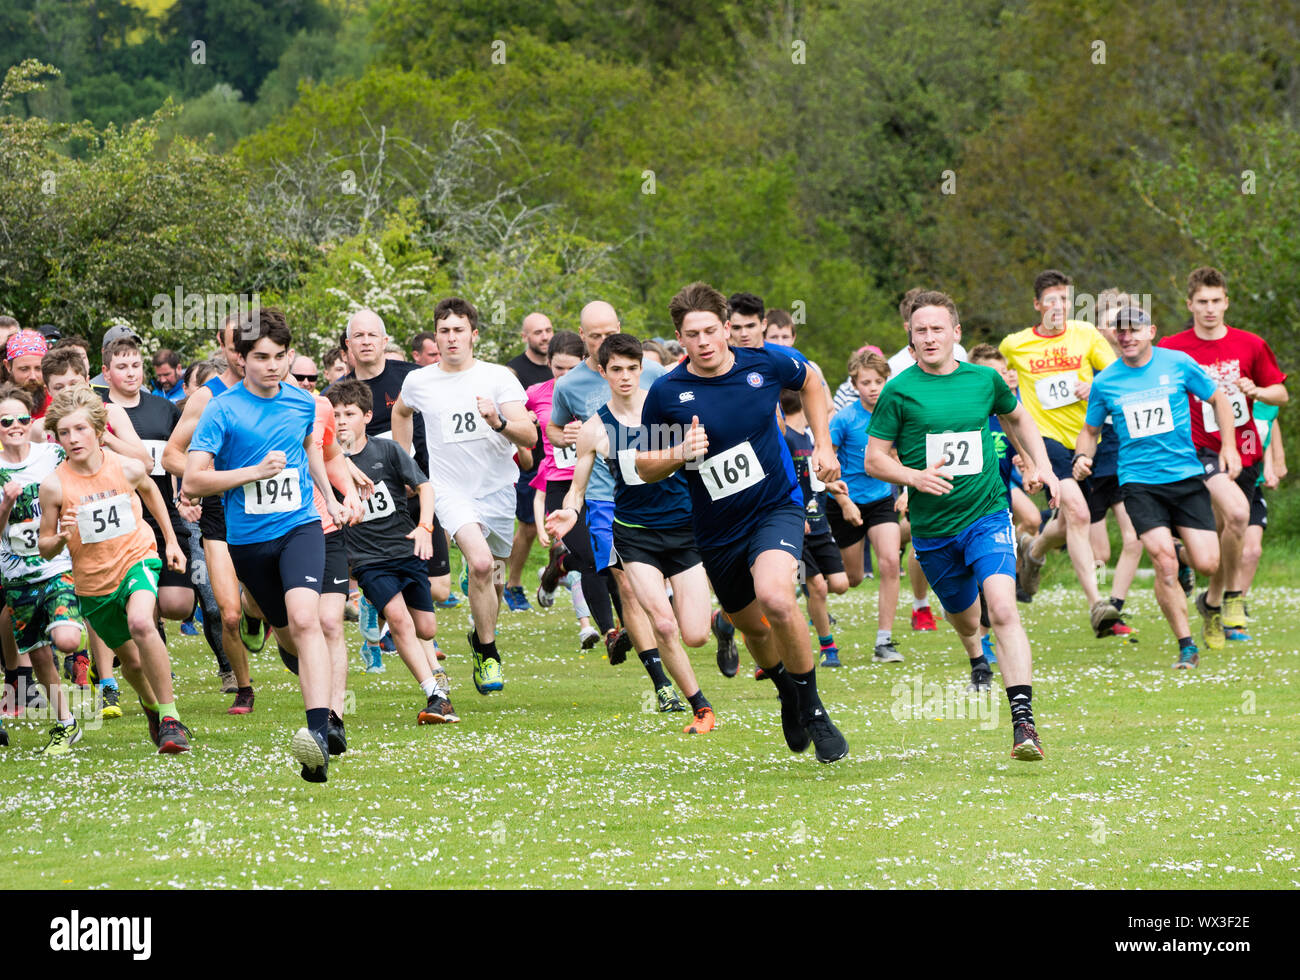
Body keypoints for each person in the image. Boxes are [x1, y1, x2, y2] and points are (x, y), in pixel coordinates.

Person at [638, 281, 850, 763]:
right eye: (692, 335)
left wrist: (824, 444)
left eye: (711, 330)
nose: (704, 342)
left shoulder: (764, 362)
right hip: (716, 530)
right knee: (751, 626)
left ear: (727, 328)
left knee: (777, 597)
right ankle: (786, 694)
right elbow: (644, 466)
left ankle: (813, 707)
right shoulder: (668, 392)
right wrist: (679, 453)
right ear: (680, 338)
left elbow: (812, 380)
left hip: (776, 506)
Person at [865, 290, 1058, 761]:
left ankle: (1023, 724)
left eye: (937, 329)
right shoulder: (898, 391)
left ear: (956, 333)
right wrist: (914, 477)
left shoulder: (984, 381)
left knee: (1004, 608)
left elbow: (1018, 417)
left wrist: (1042, 465)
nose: (929, 337)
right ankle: (975, 650)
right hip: (933, 532)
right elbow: (874, 460)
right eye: (920, 330)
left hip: (987, 514)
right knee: (967, 618)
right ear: (909, 340)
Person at [184, 308, 348, 782]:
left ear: (290, 355)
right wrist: (252, 473)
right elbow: (194, 477)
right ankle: (276, 640)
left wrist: (332, 499)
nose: (271, 366)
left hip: (300, 525)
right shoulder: (222, 409)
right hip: (249, 540)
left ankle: (320, 731)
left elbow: (311, 450)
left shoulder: (302, 403)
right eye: (260, 357)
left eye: (279, 356)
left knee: (307, 618)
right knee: (288, 631)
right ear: (240, 358)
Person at [547, 333, 716, 728]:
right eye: (617, 370)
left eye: (632, 369)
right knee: (662, 622)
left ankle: (720, 627)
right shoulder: (593, 429)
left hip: (683, 530)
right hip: (634, 533)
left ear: (642, 370)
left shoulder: (665, 410)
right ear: (602, 371)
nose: (625, 377)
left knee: (696, 634)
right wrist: (569, 513)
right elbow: (577, 490)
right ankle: (701, 707)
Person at [1076, 306, 1236, 667]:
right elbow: (1090, 430)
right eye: (1120, 332)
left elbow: (1219, 398)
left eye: (1134, 330)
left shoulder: (1177, 364)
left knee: (1209, 563)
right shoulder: (1105, 382)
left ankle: (1185, 559)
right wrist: (1082, 458)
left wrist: (1227, 445)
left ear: (1151, 331)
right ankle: (1187, 646)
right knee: (1161, 562)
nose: (1126, 337)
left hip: (1185, 476)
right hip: (1138, 482)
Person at [392, 297, 535, 696]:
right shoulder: (419, 381)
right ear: (435, 336)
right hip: (450, 491)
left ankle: (480, 635)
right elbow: (401, 413)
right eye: (444, 330)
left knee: (496, 578)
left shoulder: (498, 378)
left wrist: (499, 421)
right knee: (482, 562)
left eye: (458, 330)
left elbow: (530, 436)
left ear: (474, 334)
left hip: (497, 490)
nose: (451, 338)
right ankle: (488, 652)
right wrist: (406, 464)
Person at [39, 386, 191, 753]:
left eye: (81, 429)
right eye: (65, 432)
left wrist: (170, 541)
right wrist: (61, 536)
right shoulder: (54, 485)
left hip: (137, 559)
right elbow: (44, 547)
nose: (74, 439)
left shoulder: (125, 466)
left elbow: (153, 493)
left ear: (97, 429)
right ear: (56, 436)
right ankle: (153, 708)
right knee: (133, 663)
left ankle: (172, 720)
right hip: (93, 585)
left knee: (142, 622)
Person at [1158, 266, 1288, 648]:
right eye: (1202, 302)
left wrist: (1258, 390)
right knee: (1236, 516)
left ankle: (1211, 602)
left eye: (1216, 301)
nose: (1210, 309)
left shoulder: (1250, 344)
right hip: (1199, 449)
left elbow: (1280, 395)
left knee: (1221, 535)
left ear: (1227, 302)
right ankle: (1232, 597)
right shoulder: (1173, 347)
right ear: (1190, 304)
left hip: (1245, 450)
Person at [327, 380, 457, 724]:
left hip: (405, 549)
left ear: (367, 416)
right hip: (368, 560)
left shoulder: (387, 452)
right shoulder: (324, 463)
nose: (341, 420)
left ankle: (373, 610)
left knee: (426, 628)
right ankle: (435, 695)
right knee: (400, 620)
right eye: (335, 414)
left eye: (349, 413)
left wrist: (425, 525)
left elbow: (425, 486)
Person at [1002, 270, 1121, 637]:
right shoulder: (1015, 344)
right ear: (1037, 305)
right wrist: (1021, 452)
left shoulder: (1085, 335)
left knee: (1067, 523)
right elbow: (1002, 392)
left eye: (1065, 300)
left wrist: (1095, 384)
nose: (1058, 307)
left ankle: (1033, 552)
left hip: (1088, 439)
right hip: (1046, 441)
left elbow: (1118, 374)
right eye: (1051, 300)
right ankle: (1096, 604)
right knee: (1079, 514)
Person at [547, 302, 667, 667]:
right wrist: (566, 436)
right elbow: (552, 430)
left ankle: (651, 630)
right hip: (603, 495)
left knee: (656, 587)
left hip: (653, 491)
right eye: (594, 336)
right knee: (626, 583)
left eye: (608, 333)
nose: (602, 341)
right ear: (581, 336)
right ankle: (657, 675)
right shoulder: (569, 384)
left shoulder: (653, 372)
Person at [161, 317, 263, 709]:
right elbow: (172, 455)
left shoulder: (275, 391)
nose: (240, 353)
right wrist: (206, 480)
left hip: (267, 510)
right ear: (221, 346)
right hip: (220, 511)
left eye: (248, 345)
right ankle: (243, 687)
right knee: (227, 612)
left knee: (260, 606)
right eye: (234, 345)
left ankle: (261, 618)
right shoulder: (208, 396)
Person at [343, 309, 452, 668]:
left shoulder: (412, 378)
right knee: (399, 602)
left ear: (385, 341)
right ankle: (426, 664)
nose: (366, 341)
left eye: (372, 335)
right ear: (348, 345)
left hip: (420, 491)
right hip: (374, 508)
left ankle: (377, 604)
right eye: (358, 336)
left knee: (440, 589)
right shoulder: (339, 397)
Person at [0, 384, 88, 754]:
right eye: (6, 421)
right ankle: (66, 724)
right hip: (17, 576)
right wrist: (6, 503)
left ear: (31, 420)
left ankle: (81, 653)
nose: (15, 426)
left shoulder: (52, 455)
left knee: (66, 640)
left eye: (22, 418)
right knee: (37, 652)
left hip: (57, 564)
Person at [827, 349, 904, 662]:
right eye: (866, 382)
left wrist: (908, 490)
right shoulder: (844, 419)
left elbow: (902, 457)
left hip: (881, 500)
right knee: (851, 580)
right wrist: (843, 500)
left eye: (878, 381)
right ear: (854, 384)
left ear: (887, 382)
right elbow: (825, 467)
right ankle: (815, 586)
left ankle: (883, 643)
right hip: (845, 502)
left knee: (889, 562)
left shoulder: (896, 414)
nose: (873, 387)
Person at [780, 388, 852, 668]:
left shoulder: (810, 438)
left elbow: (810, 477)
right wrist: (796, 517)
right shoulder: (784, 437)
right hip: (798, 526)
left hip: (820, 522)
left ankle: (797, 587)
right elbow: (782, 481)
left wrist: (833, 487)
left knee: (840, 584)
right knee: (819, 587)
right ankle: (828, 646)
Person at [503, 313, 555, 612]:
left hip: (561, 457)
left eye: (548, 330)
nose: (545, 336)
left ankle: (559, 574)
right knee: (529, 527)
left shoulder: (561, 365)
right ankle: (513, 583)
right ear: (525, 336)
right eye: (538, 332)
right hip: (529, 459)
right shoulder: (514, 370)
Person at [7, 331, 52, 421]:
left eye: (38, 368)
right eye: (24, 369)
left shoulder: (58, 404)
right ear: (8, 366)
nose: (33, 377)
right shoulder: (2, 404)